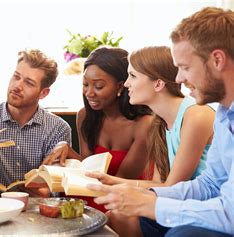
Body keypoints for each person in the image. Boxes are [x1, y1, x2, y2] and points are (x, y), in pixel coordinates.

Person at [88, 7, 234, 236]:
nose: (178, 79)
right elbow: (209, 185)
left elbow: (229, 212)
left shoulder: (199, 114)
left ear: (217, 59)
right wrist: (148, 195)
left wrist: (150, 204)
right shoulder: (225, 115)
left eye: (185, 68)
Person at [44, 47, 153, 211]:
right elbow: (89, 168)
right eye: (85, 84)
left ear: (120, 86)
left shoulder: (144, 125)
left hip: (121, 198)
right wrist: (66, 148)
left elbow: (121, 180)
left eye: (99, 86)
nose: (89, 93)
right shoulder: (85, 116)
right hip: (92, 191)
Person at [0, 49, 72, 198]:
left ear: (43, 93)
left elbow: (57, 180)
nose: (17, 86)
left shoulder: (59, 128)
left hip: (36, 211)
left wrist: (47, 192)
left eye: (29, 83)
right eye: (16, 77)